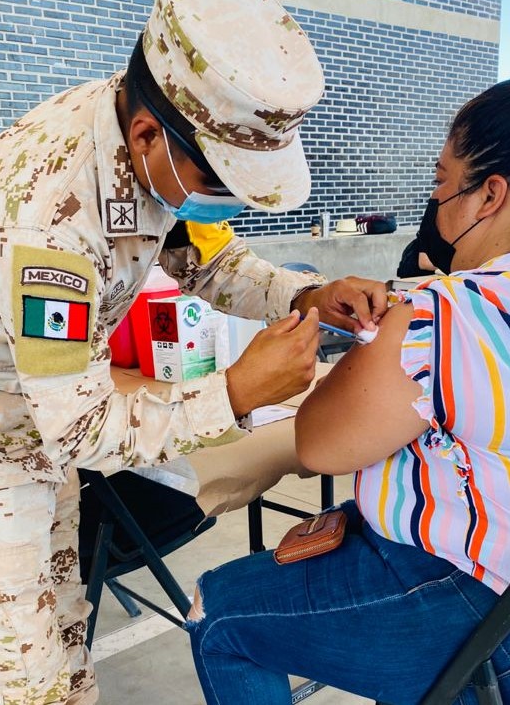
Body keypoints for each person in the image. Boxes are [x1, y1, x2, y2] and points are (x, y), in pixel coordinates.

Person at [0, 0, 386, 703]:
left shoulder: (152, 153)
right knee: (18, 679)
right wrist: (234, 392)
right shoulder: (50, 220)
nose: (229, 205)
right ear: (149, 134)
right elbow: (81, 428)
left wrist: (307, 292)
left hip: (41, 419)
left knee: (63, 636)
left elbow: (210, 262)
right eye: (222, 186)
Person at [186, 79, 510, 705]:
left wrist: (374, 345)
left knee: (218, 614)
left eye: (441, 182)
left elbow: (321, 446)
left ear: (489, 195)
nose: (434, 201)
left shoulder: (446, 311)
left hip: (466, 595)